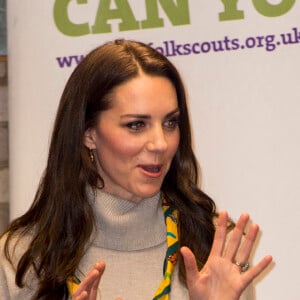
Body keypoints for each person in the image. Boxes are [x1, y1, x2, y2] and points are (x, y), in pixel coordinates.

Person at [0, 39, 272, 300]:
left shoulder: (214, 248)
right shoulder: (19, 256)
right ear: (88, 133)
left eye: (170, 123)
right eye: (136, 125)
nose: (160, 144)